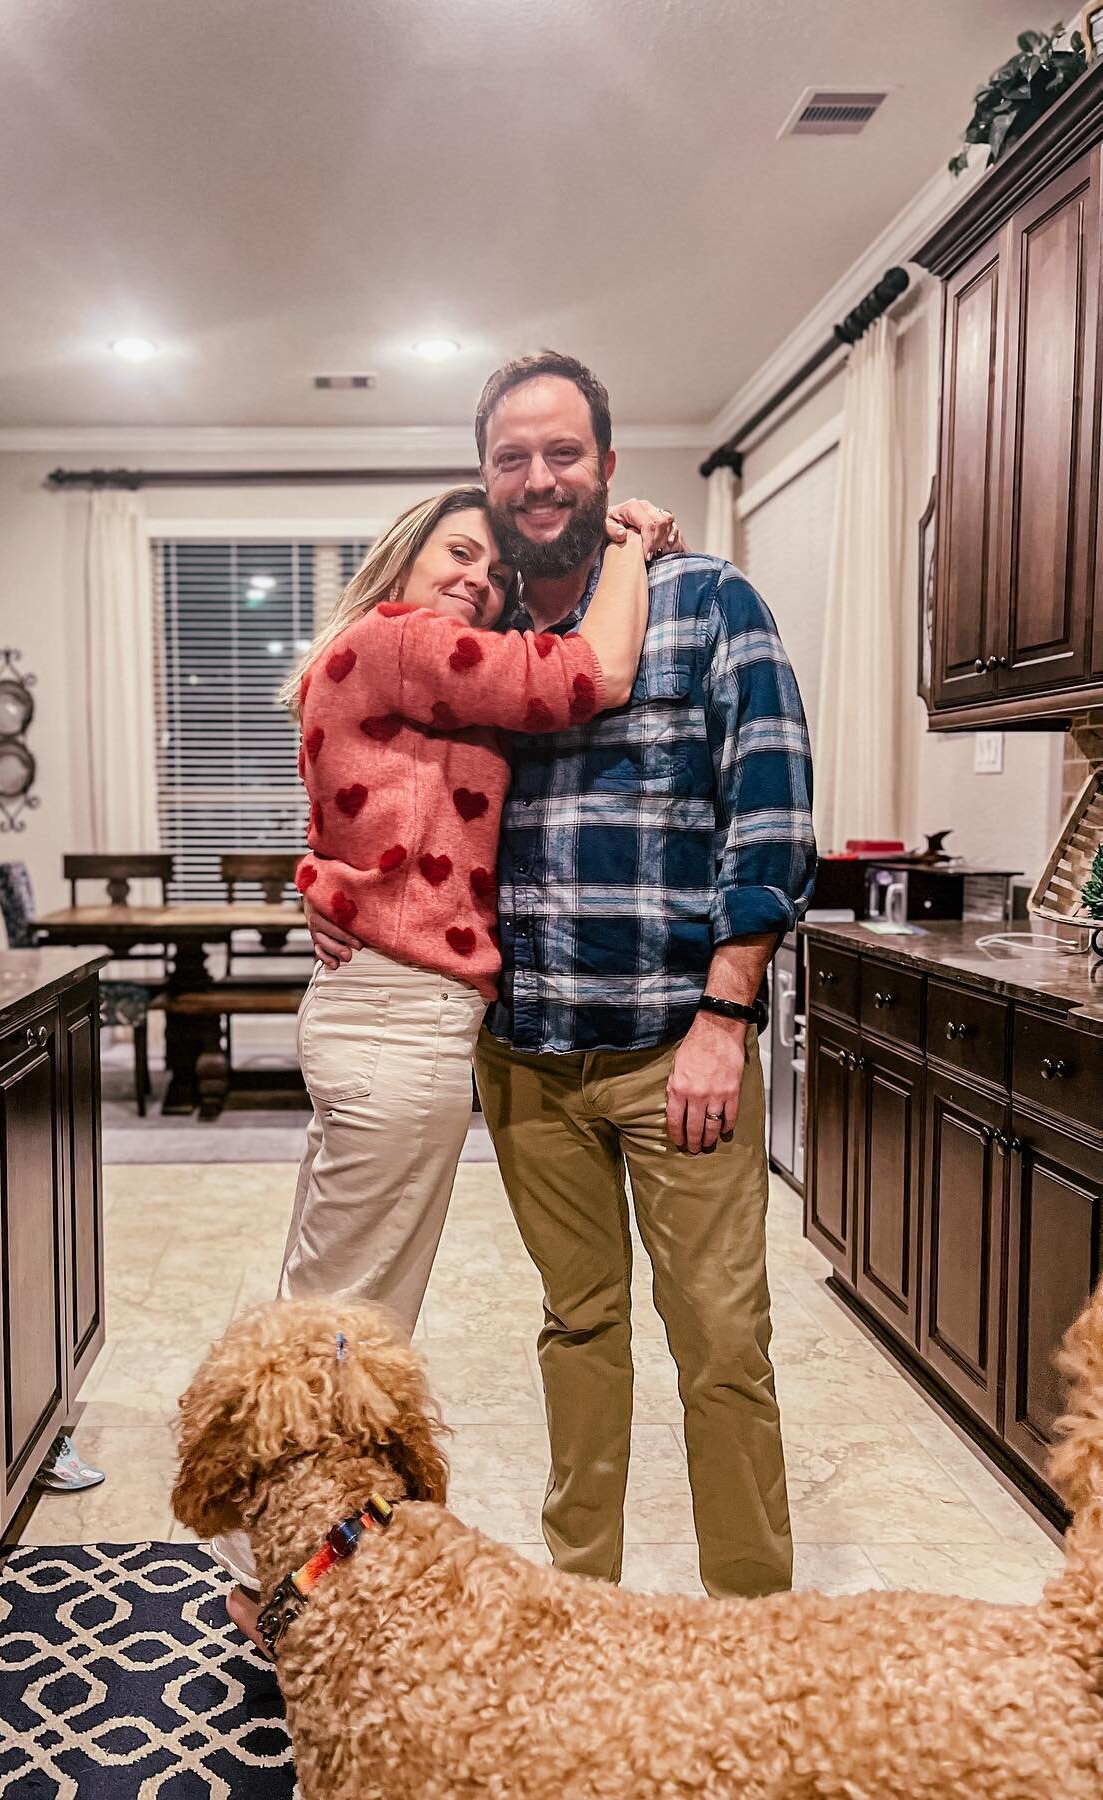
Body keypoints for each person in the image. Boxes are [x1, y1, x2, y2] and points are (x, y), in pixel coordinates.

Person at [312, 352, 816, 1601]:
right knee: (579, 1330)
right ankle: (576, 1601)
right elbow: (387, 792)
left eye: (563, 454)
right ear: (485, 474)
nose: (538, 481)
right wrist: (327, 878)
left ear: (605, 463)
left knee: (720, 1345)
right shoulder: (471, 637)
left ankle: (751, 1628)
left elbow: (770, 817)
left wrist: (726, 1011)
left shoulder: (708, 604)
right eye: (511, 459)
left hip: (672, 1049)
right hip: (526, 1055)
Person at [214, 482, 678, 1640]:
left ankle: (269, 1560)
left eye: (492, 571)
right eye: (456, 553)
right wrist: (630, 542)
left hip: (382, 1007)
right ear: (401, 560)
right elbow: (589, 680)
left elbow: (362, 833)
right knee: (353, 1317)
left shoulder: (376, 661)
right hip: (399, 1016)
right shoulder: (407, 641)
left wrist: (324, 885)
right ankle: (290, 1577)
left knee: (330, 1292)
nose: (477, 576)